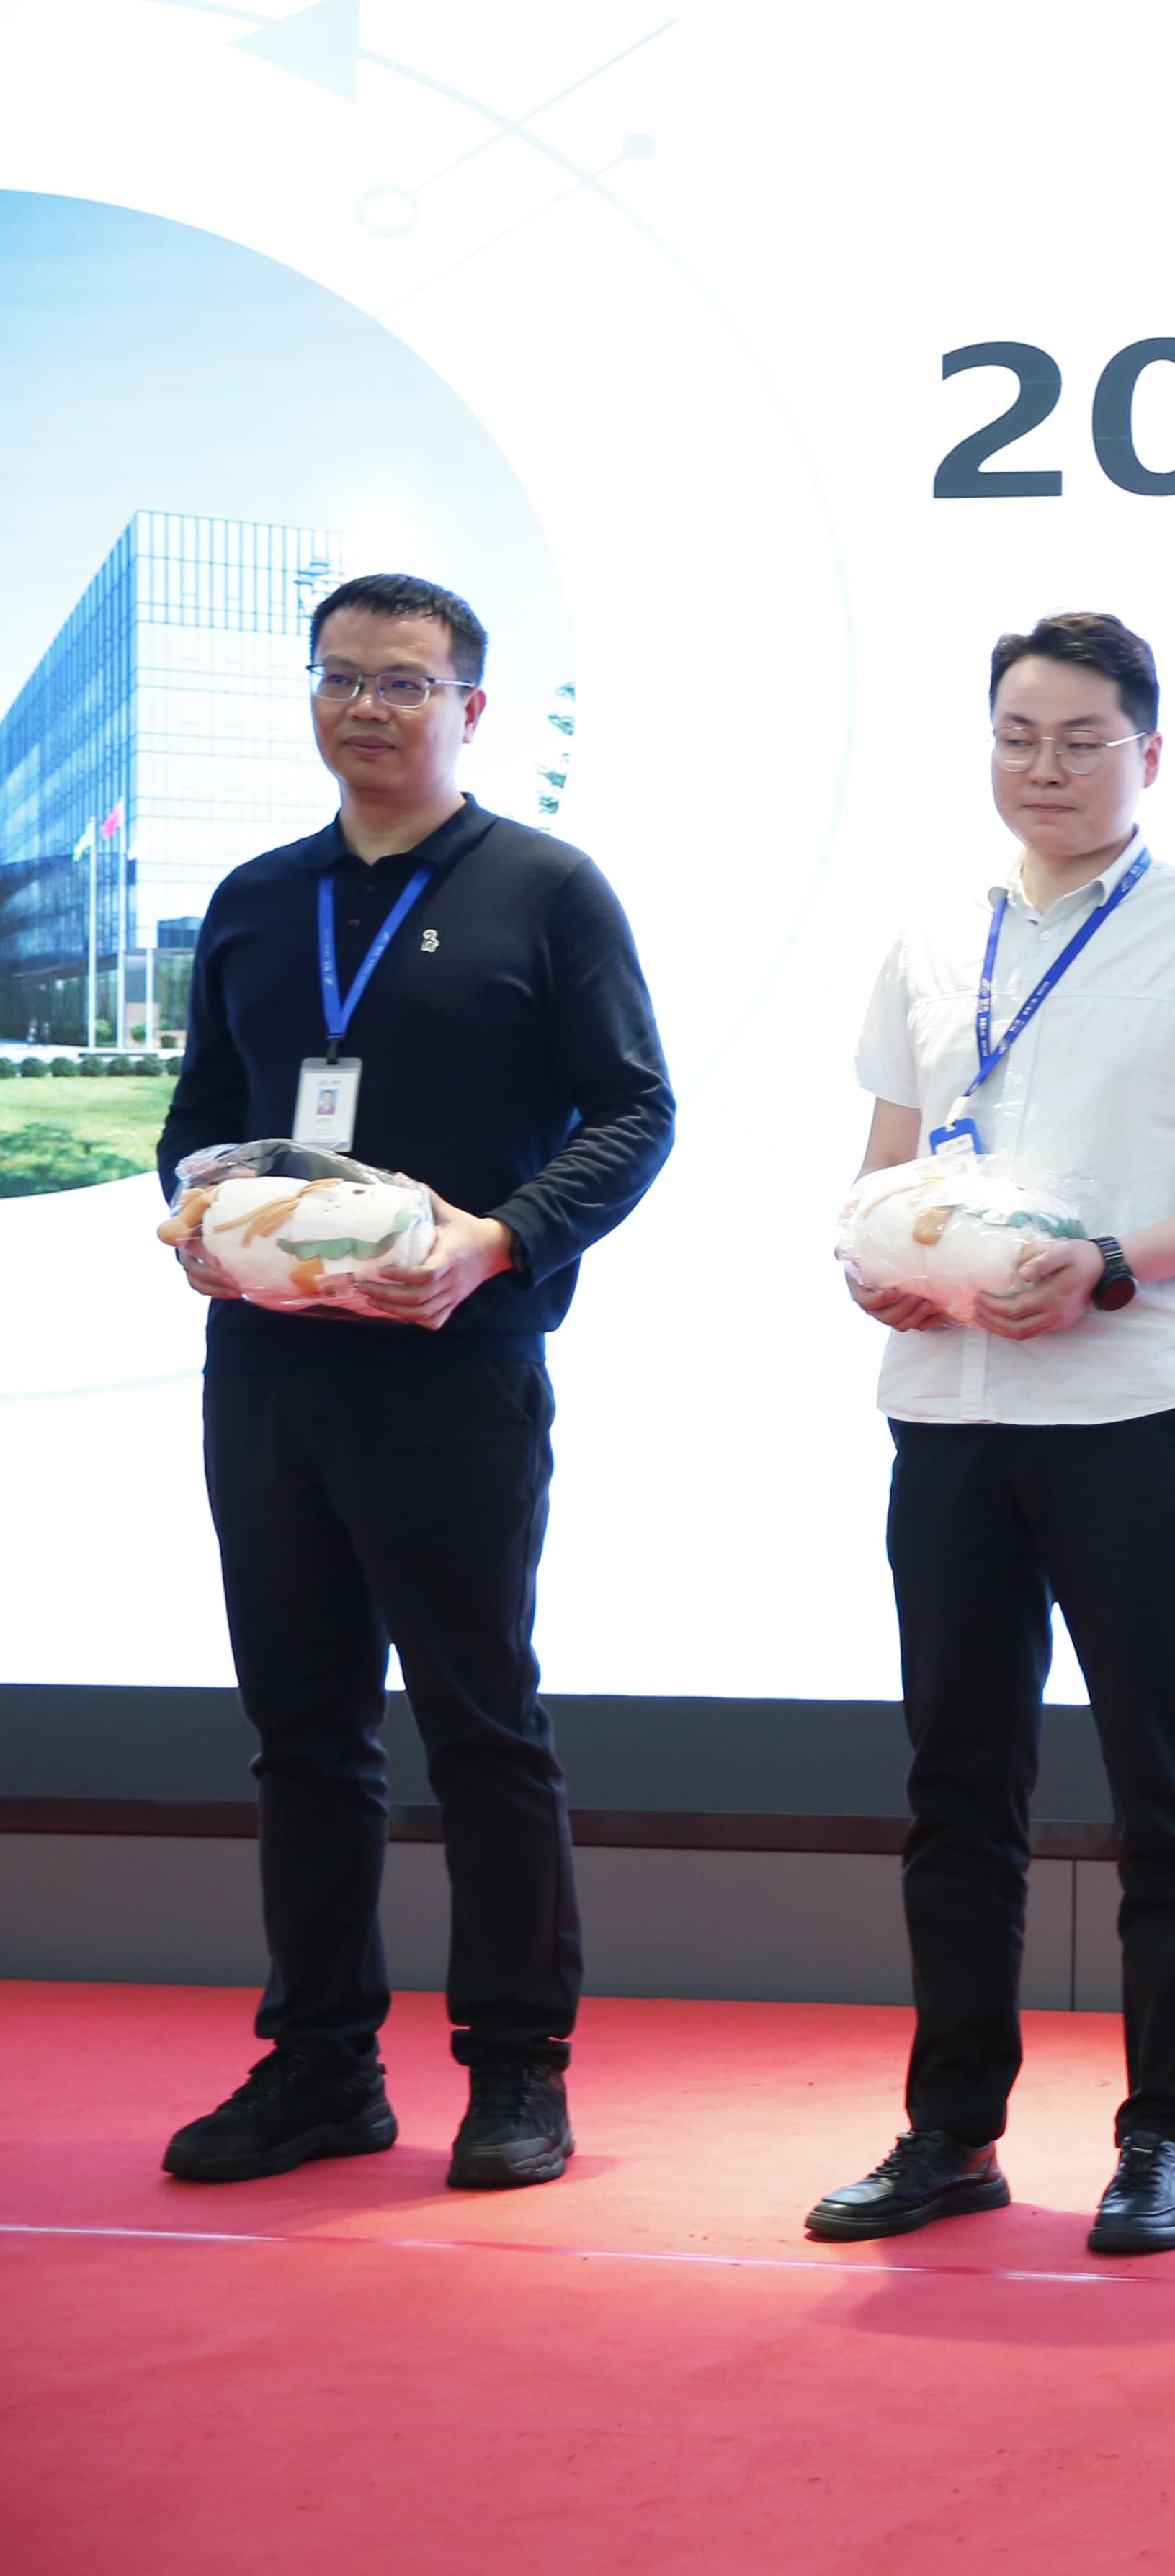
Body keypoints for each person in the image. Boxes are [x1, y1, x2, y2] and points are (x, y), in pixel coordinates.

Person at [805, 612, 1175, 2257]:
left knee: (1165, 1783)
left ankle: (1161, 2137)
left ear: (1148, 753)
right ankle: (951, 2129)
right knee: (957, 1783)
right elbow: (884, 1169)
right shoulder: (929, 935)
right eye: (1018, 735)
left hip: (1131, 1406)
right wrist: (874, 1264)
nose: (1047, 765)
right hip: (949, 1410)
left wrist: (1111, 1265)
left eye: (1084, 738)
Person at [154, 571, 674, 2191]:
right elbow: (201, 1115)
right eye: (340, 677)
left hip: (455, 1366)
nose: (365, 706)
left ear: (472, 708)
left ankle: (517, 2068)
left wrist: (498, 1244)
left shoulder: (545, 889)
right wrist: (197, 1219)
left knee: (479, 1723)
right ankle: (321, 2066)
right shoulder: (256, 897)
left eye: (402, 681)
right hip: (268, 1370)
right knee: (302, 1730)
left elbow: (635, 1111)